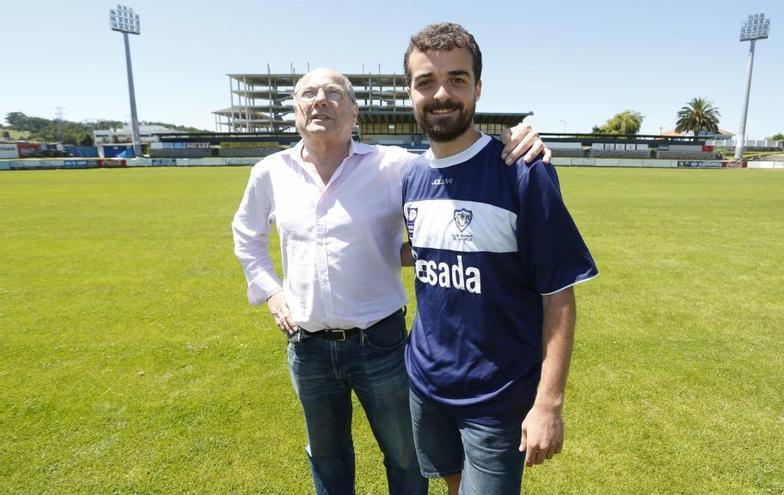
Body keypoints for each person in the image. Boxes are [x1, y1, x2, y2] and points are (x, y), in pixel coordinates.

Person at [231, 67, 548, 495]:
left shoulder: (391, 166)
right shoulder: (270, 172)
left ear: (354, 111)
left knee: (404, 457)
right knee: (326, 455)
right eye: (308, 93)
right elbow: (247, 236)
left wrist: (513, 141)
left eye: (332, 93)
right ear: (295, 108)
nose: (320, 100)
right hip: (306, 349)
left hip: (379, 345)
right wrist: (271, 292)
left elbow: (453, 167)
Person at [400, 23, 598, 495]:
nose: (441, 93)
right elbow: (422, 253)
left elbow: (558, 296)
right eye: (426, 81)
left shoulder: (522, 171)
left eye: (457, 79)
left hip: (496, 397)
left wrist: (548, 403)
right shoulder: (409, 177)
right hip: (425, 386)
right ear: (410, 92)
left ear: (478, 88)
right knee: (450, 483)